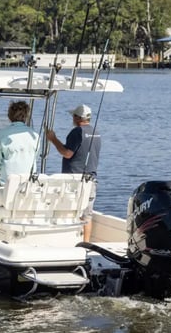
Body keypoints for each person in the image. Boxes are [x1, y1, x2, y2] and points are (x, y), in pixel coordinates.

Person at [46, 104, 101, 242]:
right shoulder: (96, 132)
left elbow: (67, 153)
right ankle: (86, 244)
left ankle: (66, 241)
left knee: (67, 211)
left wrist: (53, 139)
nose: (72, 118)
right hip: (91, 180)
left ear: (77, 118)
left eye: (73, 116)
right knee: (87, 215)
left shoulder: (77, 132)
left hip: (74, 181)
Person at [0, 101, 40, 185]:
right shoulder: (35, 136)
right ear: (26, 117)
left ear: (9, 116)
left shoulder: (2, 134)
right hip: (28, 183)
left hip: (7, 182)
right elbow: (35, 157)